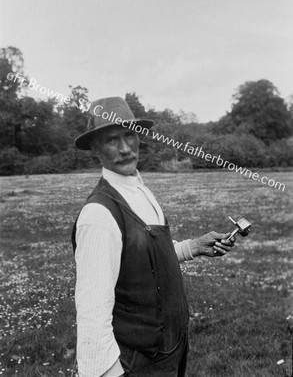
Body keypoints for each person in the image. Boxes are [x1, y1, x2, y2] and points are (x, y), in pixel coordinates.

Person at [72, 96, 236, 377]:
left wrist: (194, 246)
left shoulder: (138, 188)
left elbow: (145, 254)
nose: (125, 148)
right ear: (95, 150)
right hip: (138, 362)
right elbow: (92, 313)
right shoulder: (98, 216)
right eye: (112, 140)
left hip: (169, 349)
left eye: (129, 135)